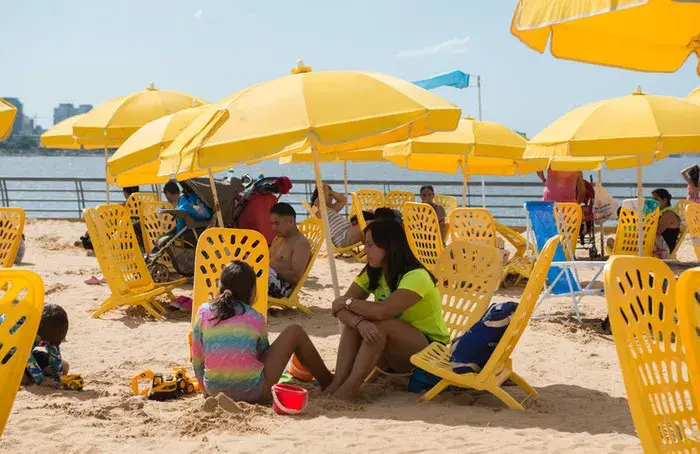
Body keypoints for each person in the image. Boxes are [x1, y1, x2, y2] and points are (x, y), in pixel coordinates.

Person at [326, 220, 450, 401]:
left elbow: (382, 312)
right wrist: (358, 322)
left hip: (428, 351)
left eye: (370, 245)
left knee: (381, 324)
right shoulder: (374, 272)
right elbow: (338, 309)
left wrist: (347, 302)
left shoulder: (416, 276)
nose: (365, 251)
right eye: (364, 245)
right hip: (392, 353)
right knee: (357, 323)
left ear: (389, 245)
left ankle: (350, 389)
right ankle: (337, 383)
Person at [191, 261, 333, 402]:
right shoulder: (255, 317)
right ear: (252, 291)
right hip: (253, 393)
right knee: (295, 331)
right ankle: (328, 381)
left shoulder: (203, 311)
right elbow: (262, 356)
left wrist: (205, 389)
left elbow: (197, 356)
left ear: (220, 285)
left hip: (214, 391)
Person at [269, 203, 311, 298]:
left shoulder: (300, 243)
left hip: (283, 288)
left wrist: (267, 266)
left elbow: (296, 277)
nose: (273, 228)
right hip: (269, 279)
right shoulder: (278, 238)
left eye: (277, 223)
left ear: (291, 221)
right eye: (272, 223)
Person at [22, 304, 70, 386]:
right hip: (10, 357)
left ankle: (30, 375)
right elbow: (25, 355)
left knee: (64, 367)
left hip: (28, 356)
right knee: (23, 379)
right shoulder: (24, 326)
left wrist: (57, 376)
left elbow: (53, 349)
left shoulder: (49, 331)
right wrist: (41, 380)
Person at [311, 183, 363, 248]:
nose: (332, 198)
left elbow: (343, 200)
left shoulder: (331, 209)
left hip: (348, 232)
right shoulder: (317, 210)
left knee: (372, 221)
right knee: (370, 225)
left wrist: (330, 192)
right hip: (342, 237)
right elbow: (319, 201)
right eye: (329, 195)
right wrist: (324, 189)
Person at [651, 188, 681, 259]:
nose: (653, 203)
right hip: (662, 244)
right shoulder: (663, 212)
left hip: (665, 248)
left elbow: (657, 231)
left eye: (656, 200)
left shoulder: (668, 214)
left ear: (664, 200)